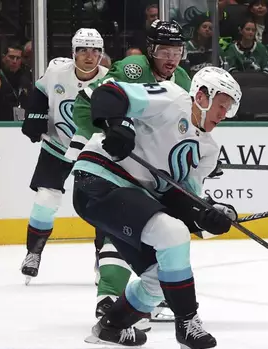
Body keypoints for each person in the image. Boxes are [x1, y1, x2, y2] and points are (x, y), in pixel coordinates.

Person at [73, 67, 241, 349]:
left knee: (158, 279)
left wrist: (206, 214)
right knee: (173, 234)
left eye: (229, 108)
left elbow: (181, 198)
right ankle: (188, 324)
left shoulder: (207, 151)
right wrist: (118, 125)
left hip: (133, 198)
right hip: (98, 180)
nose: (224, 113)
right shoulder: (172, 98)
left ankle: (111, 326)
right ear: (201, 96)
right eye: (222, 104)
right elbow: (110, 93)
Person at [68, 20, 191, 324]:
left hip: (142, 162)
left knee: (142, 228)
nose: (171, 57)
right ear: (151, 50)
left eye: (177, 50)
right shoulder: (134, 68)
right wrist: (110, 127)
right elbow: (88, 102)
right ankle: (109, 296)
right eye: (164, 50)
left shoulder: (184, 80)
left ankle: (125, 294)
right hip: (110, 155)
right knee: (123, 226)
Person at [19, 28, 108, 284]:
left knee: (103, 206)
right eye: (83, 50)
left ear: (101, 54)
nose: (89, 56)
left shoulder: (108, 80)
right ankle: (33, 252)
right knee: (46, 198)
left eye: (95, 51)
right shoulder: (56, 72)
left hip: (94, 151)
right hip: (56, 146)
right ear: (73, 53)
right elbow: (39, 95)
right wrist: (34, 117)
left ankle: (104, 258)